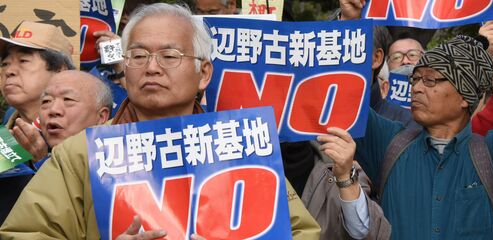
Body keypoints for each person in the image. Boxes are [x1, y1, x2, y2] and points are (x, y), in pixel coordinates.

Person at [0, 3, 320, 240]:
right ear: (124, 69)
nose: (152, 67)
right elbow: (24, 233)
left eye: (170, 57)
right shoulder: (81, 154)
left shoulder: (239, 146)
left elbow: (301, 231)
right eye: (138, 56)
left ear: (204, 73)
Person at [347, 0, 493, 238]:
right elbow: (346, 98)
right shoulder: (390, 145)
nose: (417, 88)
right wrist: (352, 25)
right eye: (415, 79)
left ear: (464, 96)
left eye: (431, 80)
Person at [0, 21, 75, 225]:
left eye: (23, 61)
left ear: (60, 71)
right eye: (5, 63)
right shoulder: (8, 126)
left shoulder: (85, 129)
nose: (9, 71)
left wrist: (42, 161)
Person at [10, 70, 112, 163]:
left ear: (101, 117)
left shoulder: (116, 165)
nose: (53, 110)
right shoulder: (21, 153)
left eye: (68, 99)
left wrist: (41, 161)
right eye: (46, 101)